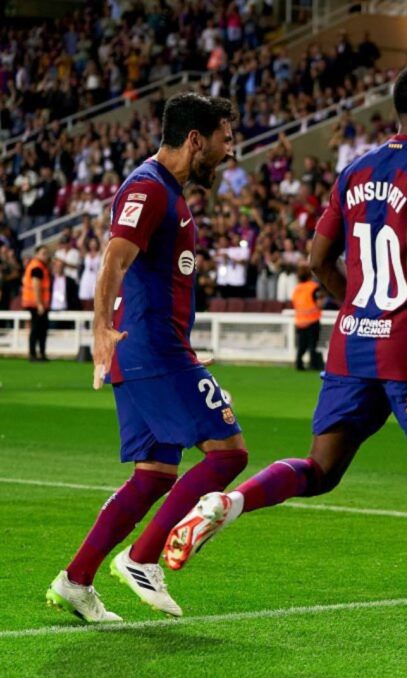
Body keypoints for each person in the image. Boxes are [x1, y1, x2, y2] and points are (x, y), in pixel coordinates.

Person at [164, 63, 407, 655]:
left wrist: (359, 305)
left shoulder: (354, 169)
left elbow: (316, 259)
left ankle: (232, 501)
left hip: (352, 338)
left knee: (322, 468)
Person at [45, 92, 248, 623]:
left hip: (143, 349)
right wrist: (101, 331)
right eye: (226, 140)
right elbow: (114, 255)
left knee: (155, 474)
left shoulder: (165, 190)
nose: (231, 152)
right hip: (154, 348)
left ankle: (76, 580)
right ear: (195, 139)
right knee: (229, 453)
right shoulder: (150, 187)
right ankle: (142, 559)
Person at [291, 263, 323, 371]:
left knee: (301, 346)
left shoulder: (297, 289)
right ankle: (314, 365)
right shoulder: (314, 287)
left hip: (300, 322)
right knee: (312, 346)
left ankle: (299, 364)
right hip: (312, 321)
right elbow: (319, 304)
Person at [22, 245, 51, 362]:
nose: (46, 256)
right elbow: (36, 286)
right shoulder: (37, 267)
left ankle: (39, 353)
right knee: (37, 329)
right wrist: (39, 303)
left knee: (40, 329)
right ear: (37, 254)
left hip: (37, 303)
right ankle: (34, 354)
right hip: (36, 304)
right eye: (43, 253)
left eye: (46, 253)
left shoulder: (39, 266)